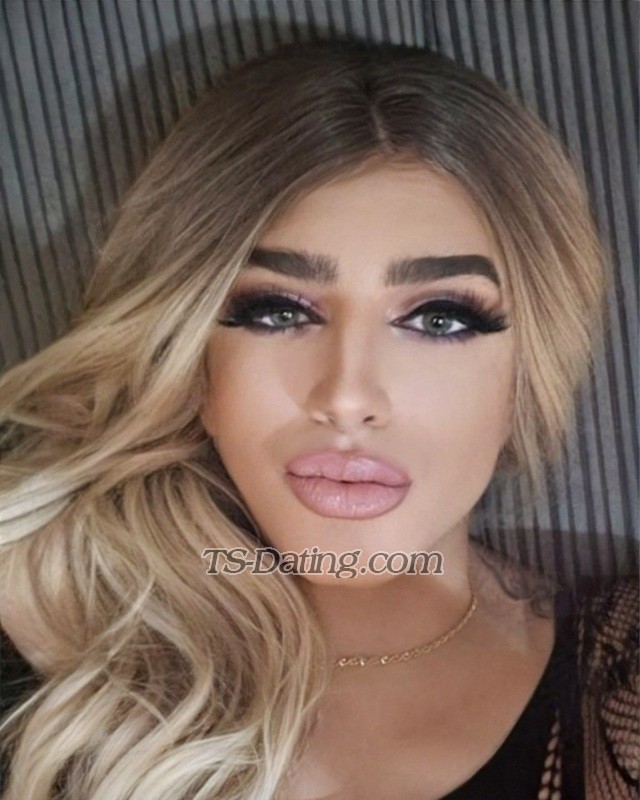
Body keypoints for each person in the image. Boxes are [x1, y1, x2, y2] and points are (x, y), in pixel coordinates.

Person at [0, 37, 637, 800]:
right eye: (277, 310)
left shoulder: (622, 686)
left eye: (440, 318)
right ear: (191, 356)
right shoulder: (39, 639)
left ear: (528, 373)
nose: (346, 395)